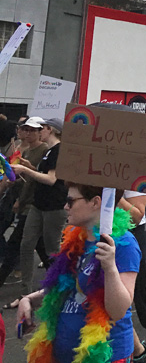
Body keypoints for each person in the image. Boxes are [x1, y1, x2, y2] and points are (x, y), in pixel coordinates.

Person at [18, 184, 140, 363]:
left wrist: (110, 268)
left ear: (95, 202)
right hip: (65, 353)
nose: (65, 207)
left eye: (70, 201)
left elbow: (118, 311)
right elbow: (68, 288)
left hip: (102, 356)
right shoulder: (76, 239)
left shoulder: (123, 244)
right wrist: (29, 299)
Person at [10, 117, 64, 301]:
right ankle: (26, 292)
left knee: (51, 249)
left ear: (50, 129)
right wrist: (29, 167)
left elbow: (51, 179)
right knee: (26, 245)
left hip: (53, 206)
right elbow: (43, 174)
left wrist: (25, 170)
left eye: (41, 128)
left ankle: (57, 290)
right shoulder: (49, 151)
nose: (39, 131)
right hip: (39, 204)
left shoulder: (58, 151)